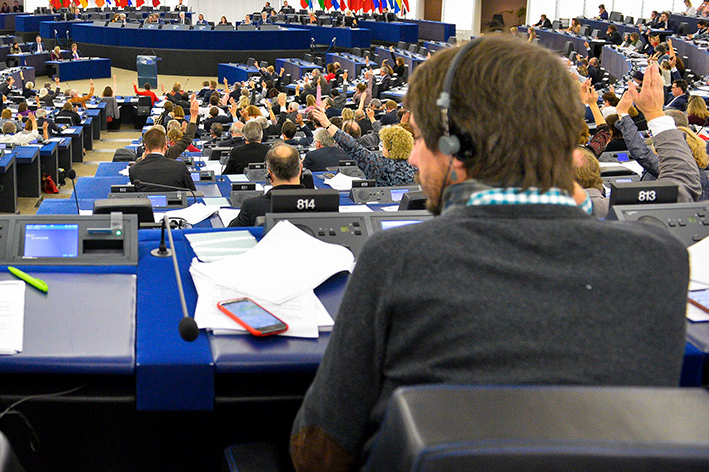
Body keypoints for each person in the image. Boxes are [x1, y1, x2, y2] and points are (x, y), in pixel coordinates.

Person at [289, 37, 689, 472]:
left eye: (422, 138)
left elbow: (320, 451)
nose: (418, 155)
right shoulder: (660, 262)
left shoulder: (395, 260)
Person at [229, 143, 303, 227]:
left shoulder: (253, 206)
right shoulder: (318, 201)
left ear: (270, 174)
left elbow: (230, 232)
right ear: (300, 169)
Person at [129, 125, 196, 192]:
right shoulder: (180, 167)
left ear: (145, 146)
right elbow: (193, 194)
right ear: (165, 145)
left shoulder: (133, 170)